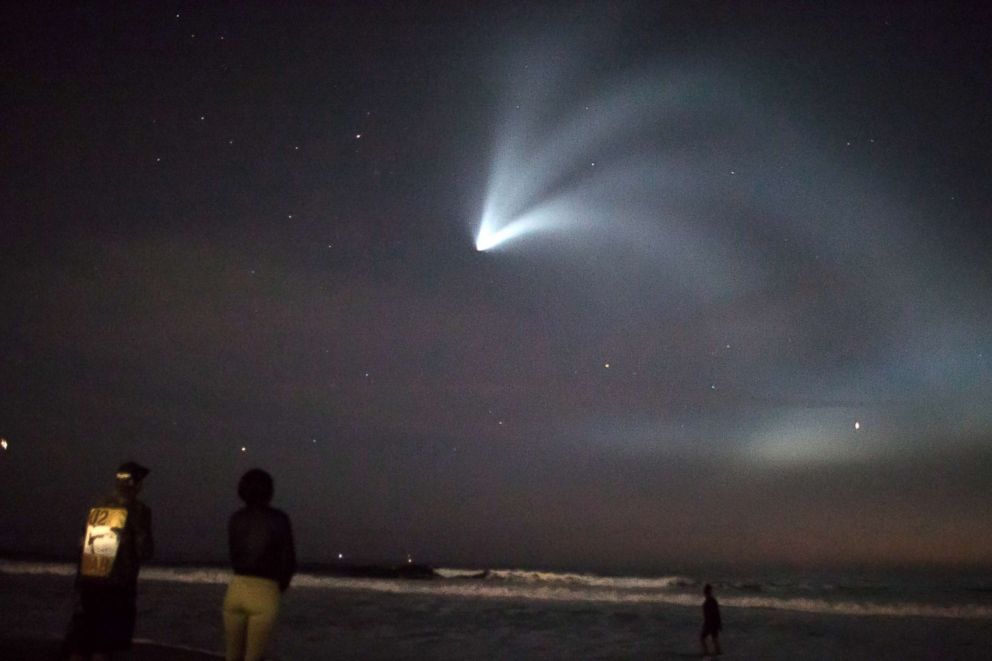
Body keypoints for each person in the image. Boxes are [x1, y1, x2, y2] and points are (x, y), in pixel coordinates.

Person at [66, 461, 154, 661]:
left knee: (81, 642)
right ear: (137, 484)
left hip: (88, 582)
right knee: (104, 644)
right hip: (117, 586)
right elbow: (144, 551)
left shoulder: (97, 505)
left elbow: (83, 545)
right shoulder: (138, 511)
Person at [223, 469, 296, 661]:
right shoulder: (279, 519)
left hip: (236, 589)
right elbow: (289, 561)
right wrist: (280, 586)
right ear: (269, 491)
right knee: (254, 657)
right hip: (265, 591)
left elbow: (233, 555)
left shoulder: (235, 518)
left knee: (232, 655)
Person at [700, 583, 722, 656]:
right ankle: (718, 652)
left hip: (710, 624)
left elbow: (712, 614)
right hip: (713, 623)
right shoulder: (712, 601)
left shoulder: (708, 602)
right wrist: (719, 624)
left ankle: (706, 652)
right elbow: (717, 614)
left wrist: (705, 624)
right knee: (714, 638)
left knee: (703, 638)